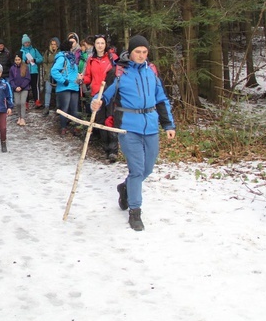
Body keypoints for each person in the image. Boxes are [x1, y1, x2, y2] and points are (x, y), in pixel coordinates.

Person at [91, 35, 176, 231]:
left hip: (151, 126)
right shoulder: (119, 72)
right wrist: (96, 102)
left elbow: (161, 99)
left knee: (148, 169)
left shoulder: (152, 71)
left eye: (144, 52)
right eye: (138, 51)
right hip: (128, 128)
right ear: (130, 52)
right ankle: (135, 211)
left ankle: (125, 187)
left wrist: (168, 125)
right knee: (137, 170)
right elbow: (103, 94)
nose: (141, 55)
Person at [83, 35, 118, 162]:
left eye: (102, 43)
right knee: (100, 121)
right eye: (98, 43)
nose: (100, 45)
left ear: (105, 45)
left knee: (110, 119)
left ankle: (113, 150)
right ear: (94, 45)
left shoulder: (112, 58)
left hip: (110, 94)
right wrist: (81, 79)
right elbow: (88, 77)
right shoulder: (91, 60)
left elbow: (119, 72)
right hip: (96, 94)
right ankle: (106, 149)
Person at [51, 39, 81, 135]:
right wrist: (63, 81)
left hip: (74, 86)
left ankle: (76, 128)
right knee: (65, 108)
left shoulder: (71, 58)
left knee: (74, 109)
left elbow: (74, 72)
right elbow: (54, 71)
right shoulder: (62, 58)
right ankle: (63, 128)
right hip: (64, 87)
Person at [20, 34, 43, 107]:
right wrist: (25, 61)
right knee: (26, 87)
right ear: (23, 43)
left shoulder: (34, 50)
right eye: (25, 43)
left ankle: (37, 100)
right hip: (25, 71)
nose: (27, 44)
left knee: (34, 86)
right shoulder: (21, 51)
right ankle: (25, 103)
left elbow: (41, 59)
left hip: (34, 71)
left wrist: (35, 60)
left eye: (28, 42)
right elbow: (18, 60)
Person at [9, 53, 31, 126]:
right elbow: (11, 79)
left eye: (19, 60)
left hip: (24, 88)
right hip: (16, 88)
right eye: (16, 60)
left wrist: (22, 86)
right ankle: (19, 116)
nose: (17, 61)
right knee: (17, 103)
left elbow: (28, 78)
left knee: (22, 102)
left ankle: (23, 118)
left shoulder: (25, 67)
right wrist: (15, 87)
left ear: (21, 60)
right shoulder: (12, 68)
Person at [41, 37, 60, 116]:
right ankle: (46, 107)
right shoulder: (47, 52)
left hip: (57, 75)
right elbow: (44, 62)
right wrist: (46, 69)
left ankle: (58, 107)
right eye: (52, 44)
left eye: (55, 44)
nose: (53, 46)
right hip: (48, 74)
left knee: (58, 91)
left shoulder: (59, 53)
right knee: (47, 91)